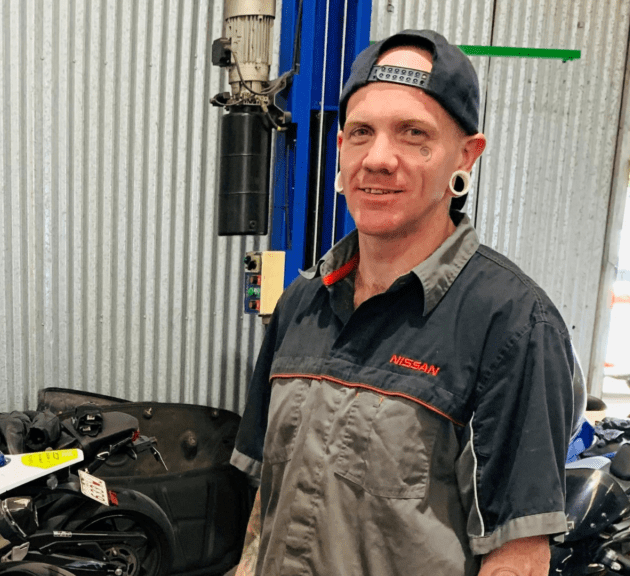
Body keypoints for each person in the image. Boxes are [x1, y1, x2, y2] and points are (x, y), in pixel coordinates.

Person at [230, 30, 576, 576]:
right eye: (362, 133)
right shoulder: (301, 304)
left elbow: (519, 554)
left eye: (414, 133)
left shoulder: (511, 324)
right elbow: (267, 501)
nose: (379, 159)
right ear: (340, 149)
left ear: (467, 155)